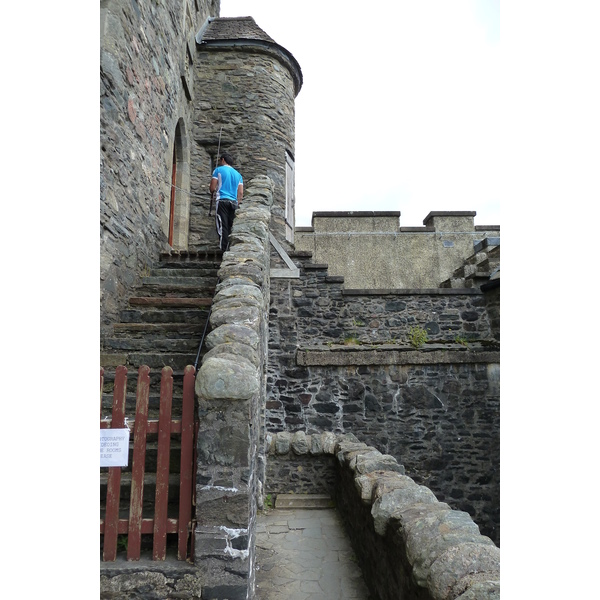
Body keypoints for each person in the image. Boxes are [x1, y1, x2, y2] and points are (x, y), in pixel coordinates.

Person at [209, 152, 243, 251]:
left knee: (222, 225)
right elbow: (240, 193)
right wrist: (238, 203)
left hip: (222, 200)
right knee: (231, 225)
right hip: (234, 202)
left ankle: (224, 249)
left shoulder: (218, 170)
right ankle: (232, 248)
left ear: (223, 160)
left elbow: (212, 188)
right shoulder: (238, 175)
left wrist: (212, 189)